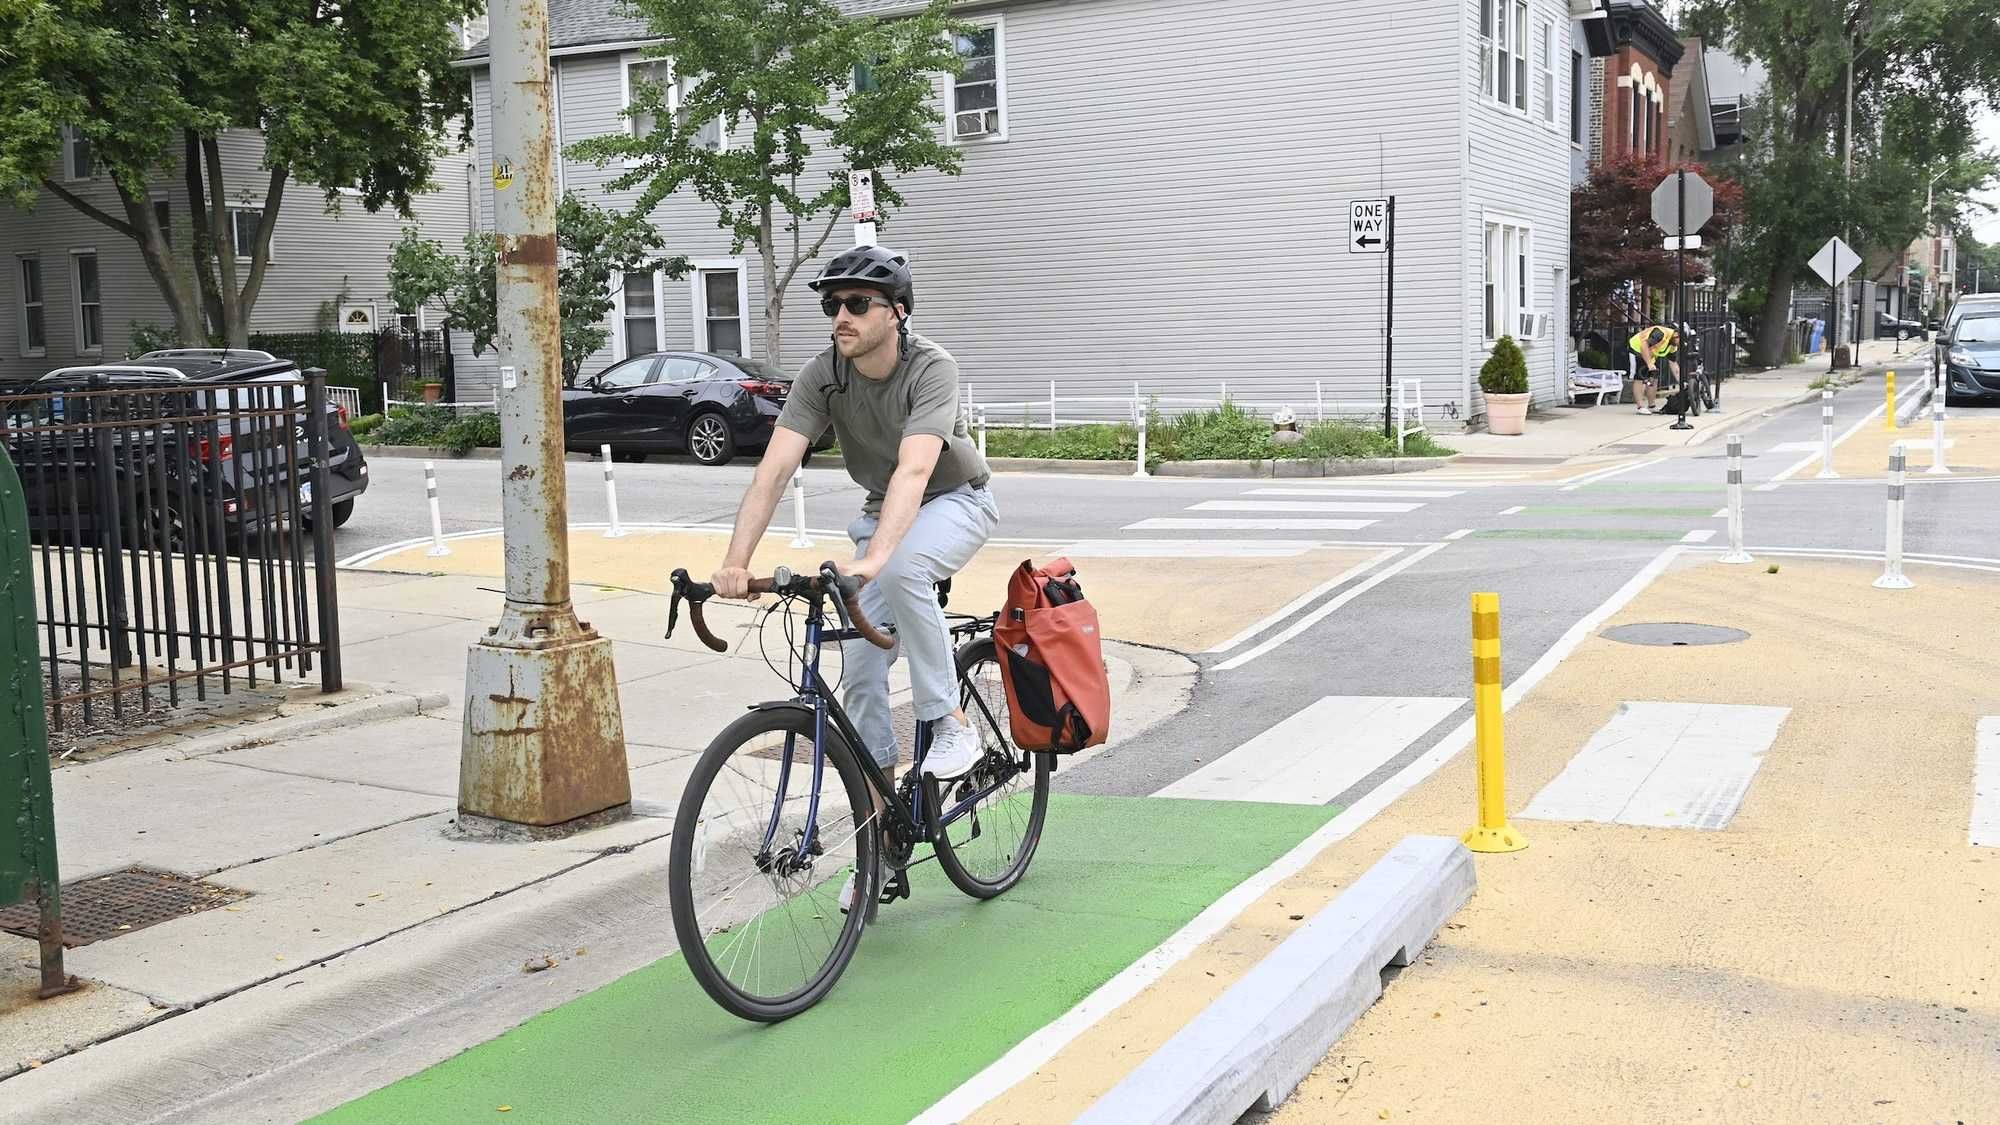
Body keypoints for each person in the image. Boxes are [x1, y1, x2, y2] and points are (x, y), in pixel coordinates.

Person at [708, 244, 998, 908]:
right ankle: (882, 850)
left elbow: (916, 471)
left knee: (904, 568)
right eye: (832, 304)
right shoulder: (823, 376)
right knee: (861, 675)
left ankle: (951, 723)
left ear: (896, 312)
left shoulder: (932, 367)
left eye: (857, 303)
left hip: (956, 500)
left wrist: (873, 560)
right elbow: (773, 471)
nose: (841, 315)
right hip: (882, 514)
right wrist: (735, 562)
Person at [1628, 324, 1679, 413]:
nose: (1680, 344)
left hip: (1651, 354)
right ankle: (1640, 407)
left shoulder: (1673, 345)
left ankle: (1651, 406)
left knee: (1654, 377)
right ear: (1676, 335)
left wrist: (1681, 381)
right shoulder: (1660, 333)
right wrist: (1649, 364)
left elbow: (1673, 364)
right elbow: (1644, 345)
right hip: (1636, 349)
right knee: (1639, 377)